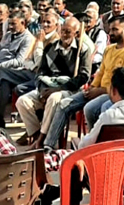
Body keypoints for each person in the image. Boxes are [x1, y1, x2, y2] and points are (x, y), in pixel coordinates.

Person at [43, 15, 124, 149]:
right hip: (97, 90)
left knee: (90, 108)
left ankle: (95, 146)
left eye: (114, 30)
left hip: (113, 94)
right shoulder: (109, 49)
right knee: (64, 104)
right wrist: (93, 87)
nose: (110, 33)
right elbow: (101, 72)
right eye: (110, 29)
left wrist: (100, 91)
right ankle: (49, 145)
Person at [15, 17, 93, 147]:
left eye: (68, 32)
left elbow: (84, 77)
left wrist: (59, 89)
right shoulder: (50, 47)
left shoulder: (83, 50)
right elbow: (41, 73)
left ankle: (43, 139)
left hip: (69, 90)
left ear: (76, 33)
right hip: (48, 86)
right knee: (22, 101)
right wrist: (41, 91)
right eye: (62, 31)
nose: (64, 35)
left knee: (54, 98)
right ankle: (35, 135)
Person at [84, 8, 108, 73]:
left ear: (96, 21)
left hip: (93, 67)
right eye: (86, 17)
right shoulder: (80, 32)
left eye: (90, 17)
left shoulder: (100, 33)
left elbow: (99, 55)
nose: (87, 20)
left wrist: (86, 60)